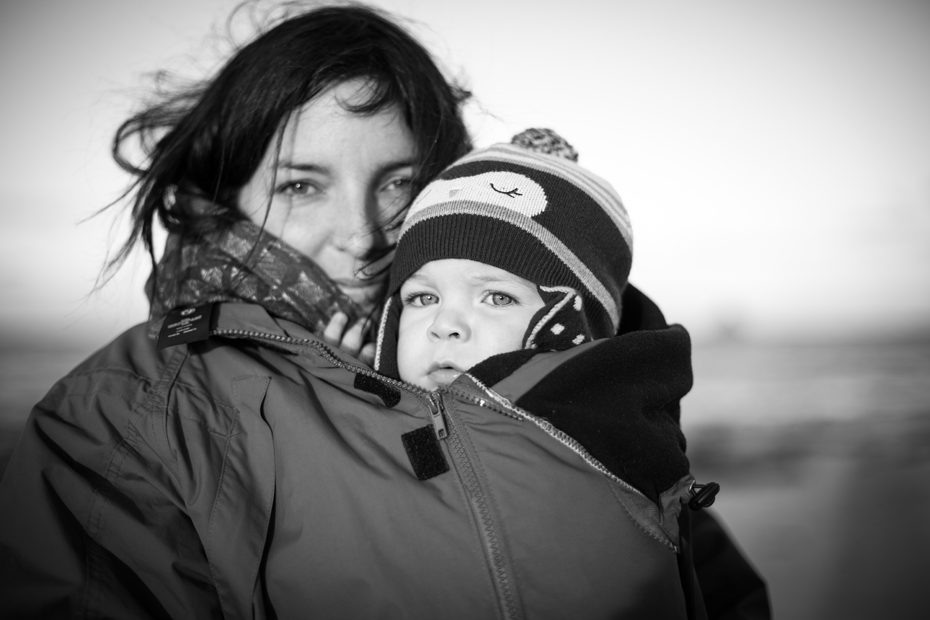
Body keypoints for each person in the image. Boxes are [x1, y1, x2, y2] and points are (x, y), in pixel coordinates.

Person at [0, 4, 767, 619]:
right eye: (302, 185)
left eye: (398, 183)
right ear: (223, 193)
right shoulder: (130, 414)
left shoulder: (557, 380)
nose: (364, 233)